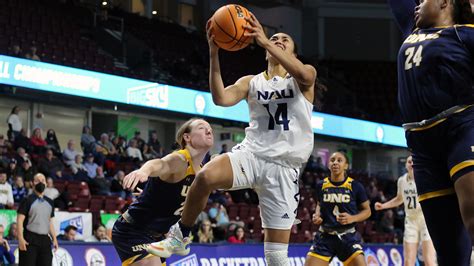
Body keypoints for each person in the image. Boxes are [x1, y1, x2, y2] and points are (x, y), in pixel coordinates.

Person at [147, 13, 317, 265]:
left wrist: (265, 40)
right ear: (264, 52)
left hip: (283, 168)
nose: (278, 40)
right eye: (274, 38)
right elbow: (221, 99)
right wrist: (214, 52)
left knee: (276, 257)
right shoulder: (251, 81)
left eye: (285, 39)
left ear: (293, 52)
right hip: (251, 154)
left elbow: (306, 76)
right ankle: (180, 235)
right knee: (205, 176)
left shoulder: (303, 76)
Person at [387, 0, 474, 264]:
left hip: (461, 128)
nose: (417, 4)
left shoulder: (465, 33)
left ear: (445, 3)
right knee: (450, 253)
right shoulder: (412, 30)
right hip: (422, 146)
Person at [113, 118, 214, 266]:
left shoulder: (203, 171)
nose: (208, 130)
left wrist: (151, 195)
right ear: (187, 137)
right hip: (133, 230)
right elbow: (160, 164)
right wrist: (143, 171)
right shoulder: (180, 159)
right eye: (201, 127)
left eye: (210, 127)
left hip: (159, 236)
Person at [305, 152, 371, 266]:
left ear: (346, 166)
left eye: (339, 160)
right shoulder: (321, 185)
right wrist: (317, 215)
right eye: (332, 160)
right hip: (325, 236)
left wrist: (352, 218)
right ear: (328, 164)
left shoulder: (355, 186)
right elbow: (319, 203)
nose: (335, 162)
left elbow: (367, 211)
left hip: (348, 237)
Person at [375, 155, 436, 266]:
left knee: (429, 260)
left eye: (413, 161)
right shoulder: (402, 181)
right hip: (410, 221)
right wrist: (383, 206)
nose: (411, 163)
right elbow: (399, 199)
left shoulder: (425, 177)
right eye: (409, 162)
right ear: (406, 165)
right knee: (408, 262)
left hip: (425, 220)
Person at [17, 173, 58, 266]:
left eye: (43, 180)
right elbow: (19, 220)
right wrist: (20, 239)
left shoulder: (50, 202)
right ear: (32, 183)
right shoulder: (27, 200)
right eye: (37, 181)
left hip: (45, 241)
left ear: (46, 184)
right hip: (29, 240)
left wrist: (54, 238)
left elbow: (49, 222)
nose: (41, 182)